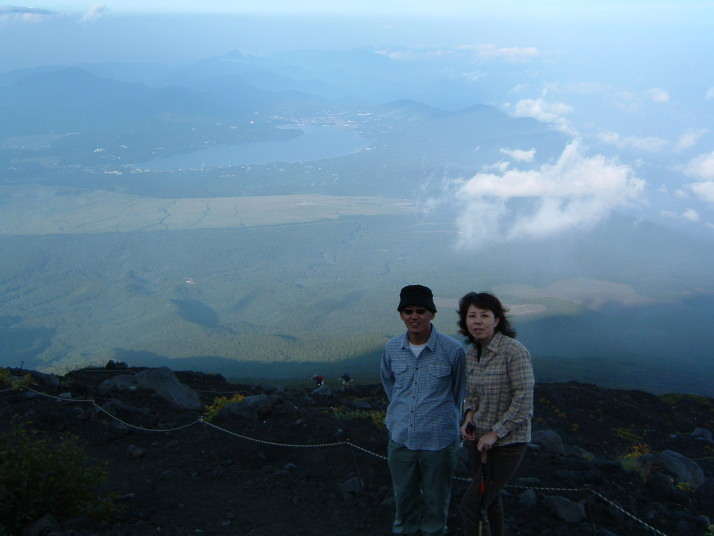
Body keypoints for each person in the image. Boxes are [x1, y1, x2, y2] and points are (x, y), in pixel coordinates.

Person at [381, 284, 466, 536]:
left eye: (420, 310)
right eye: (408, 311)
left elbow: (460, 393)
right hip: (401, 438)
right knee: (403, 497)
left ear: (432, 314)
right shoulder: (391, 349)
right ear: (401, 315)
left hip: (438, 440)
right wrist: (400, 414)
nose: (414, 316)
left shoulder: (453, 351)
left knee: (437, 500)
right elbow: (390, 386)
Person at [457, 292, 534, 536]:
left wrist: (494, 433)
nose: (477, 321)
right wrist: (469, 416)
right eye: (472, 316)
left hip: (507, 443)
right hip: (478, 441)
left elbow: (524, 400)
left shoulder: (514, 352)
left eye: (484, 315)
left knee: (471, 506)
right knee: (489, 500)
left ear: (497, 320)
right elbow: (472, 394)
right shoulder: (472, 353)